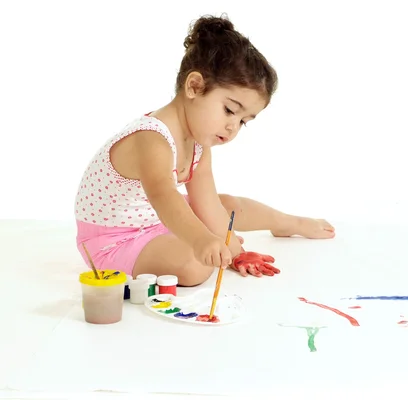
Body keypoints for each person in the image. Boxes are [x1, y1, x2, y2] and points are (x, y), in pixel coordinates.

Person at [74, 14, 335, 286]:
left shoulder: (199, 141)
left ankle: (287, 222)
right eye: (229, 111)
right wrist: (202, 240)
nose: (233, 127)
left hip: (158, 221)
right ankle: (195, 243)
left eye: (243, 122)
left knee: (228, 206)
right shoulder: (151, 138)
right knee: (194, 265)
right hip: (116, 239)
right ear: (194, 86)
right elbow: (164, 197)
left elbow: (206, 203)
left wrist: (237, 253)